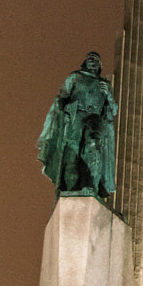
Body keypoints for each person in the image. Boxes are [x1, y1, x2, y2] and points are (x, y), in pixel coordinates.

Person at [37, 53, 118, 198]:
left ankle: (91, 185)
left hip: (94, 118)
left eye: (95, 60)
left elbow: (113, 110)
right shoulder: (75, 77)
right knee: (72, 152)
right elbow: (61, 98)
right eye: (89, 59)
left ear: (100, 65)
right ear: (85, 62)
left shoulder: (104, 84)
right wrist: (65, 110)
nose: (92, 61)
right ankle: (71, 187)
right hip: (76, 115)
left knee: (93, 147)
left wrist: (108, 95)